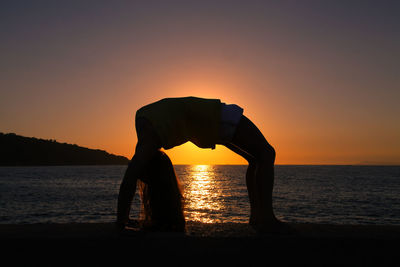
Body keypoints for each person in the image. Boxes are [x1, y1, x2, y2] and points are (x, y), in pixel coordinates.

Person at [117, 96, 287, 233]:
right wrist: (122, 219)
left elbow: (128, 181)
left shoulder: (147, 140)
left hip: (214, 120)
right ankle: (265, 218)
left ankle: (259, 217)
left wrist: (121, 221)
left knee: (259, 158)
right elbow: (129, 180)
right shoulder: (143, 120)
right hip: (214, 119)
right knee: (265, 154)